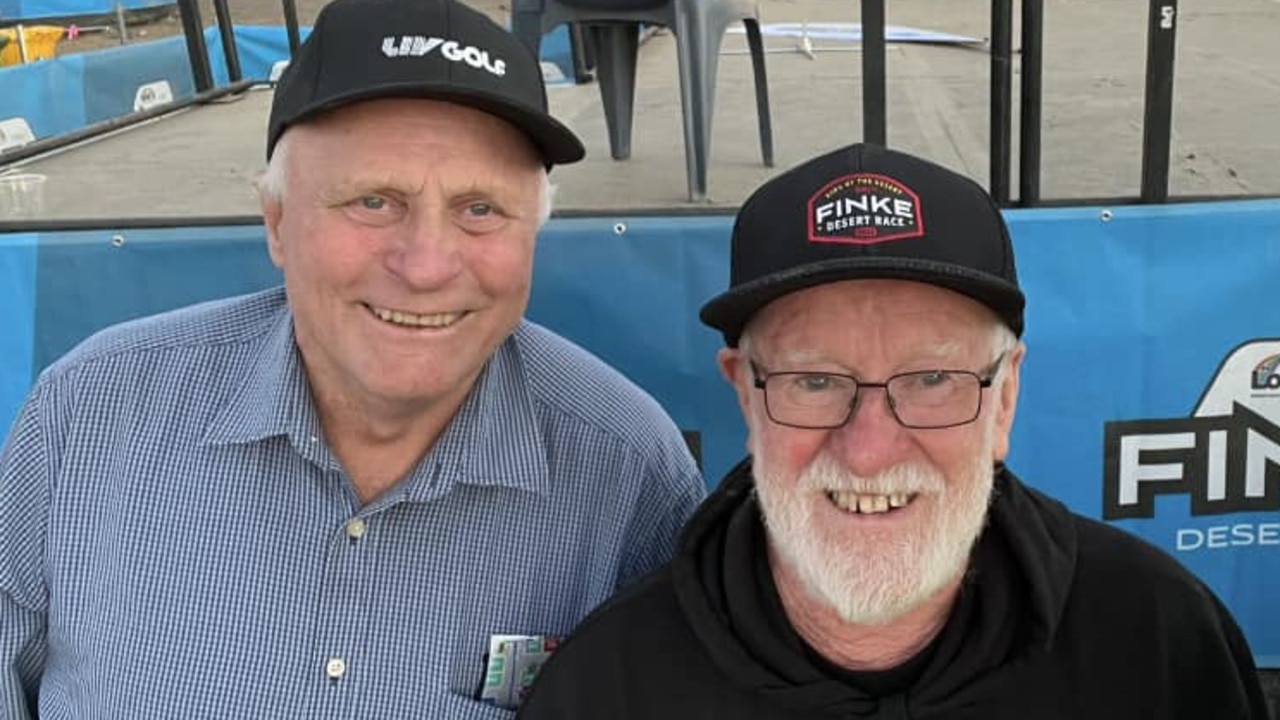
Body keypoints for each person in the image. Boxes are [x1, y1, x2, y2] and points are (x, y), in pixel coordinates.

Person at [0, 0, 705, 715]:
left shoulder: (629, 473)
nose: (426, 264)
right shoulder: (88, 414)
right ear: (277, 223)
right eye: (374, 201)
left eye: (481, 209)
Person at [517, 143, 1271, 718]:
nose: (870, 448)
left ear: (1003, 402)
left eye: (933, 380)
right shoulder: (610, 687)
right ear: (746, 397)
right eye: (814, 381)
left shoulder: (1158, 641)